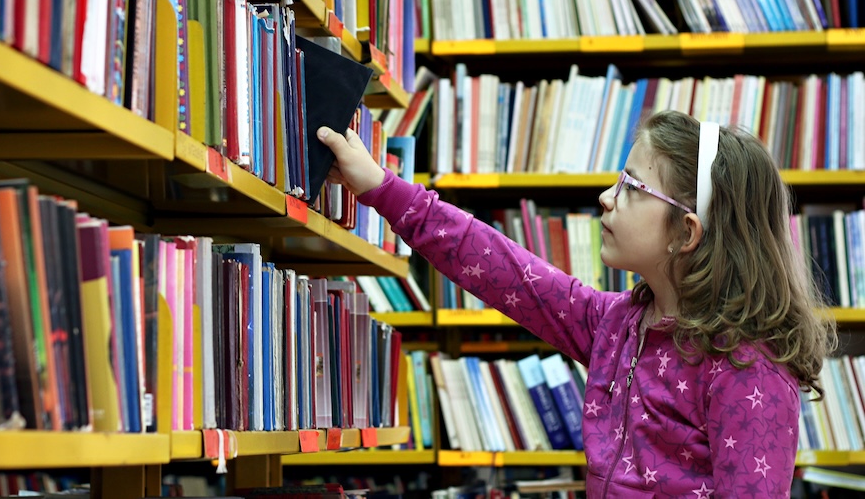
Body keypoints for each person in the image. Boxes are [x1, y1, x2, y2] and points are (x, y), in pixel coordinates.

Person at [318, 109, 835, 498]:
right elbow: (503, 268)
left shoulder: (747, 366)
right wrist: (382, 189)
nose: (607, 197)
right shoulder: (616, 325)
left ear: (686, 232)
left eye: (631, 187)